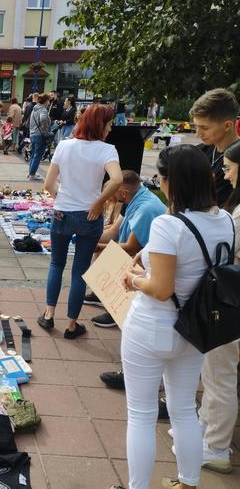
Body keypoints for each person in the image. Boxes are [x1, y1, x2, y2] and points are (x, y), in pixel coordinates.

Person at [118, 145, 234, 489]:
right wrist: (147, 254)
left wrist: (133, 279)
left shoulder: (169, 224)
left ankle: (139, 486)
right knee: (184, 409)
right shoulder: (226, 219)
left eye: (161, 177)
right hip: (196, 327)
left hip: (152, 327)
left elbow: (161, 287)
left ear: (172, 181)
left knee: (140, 414)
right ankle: (188, 482)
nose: (159, 183)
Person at [39, 104, 123, 338]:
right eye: (109, 123)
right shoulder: (107, 150)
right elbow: (117, 179)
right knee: (79, 271)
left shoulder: (64, 145)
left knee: (56, 264)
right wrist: (98, 203)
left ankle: (48, 315)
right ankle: (71, 325)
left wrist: (61, 198)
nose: (110, 128)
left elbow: (47, 184)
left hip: (62, 213)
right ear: (101, 124)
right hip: (89, 216)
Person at [193, 139, 240, 474]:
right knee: (214, 371)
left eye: (228, 166)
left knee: (220, 374)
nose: (224, 172)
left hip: (232, 300)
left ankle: (217, 447)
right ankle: (205, 431)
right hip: (229, 298)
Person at [91, 171, 166, 328]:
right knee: (101, 248)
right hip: (145, 254)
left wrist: (97, 246)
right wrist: (89, 238)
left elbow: (131, 247)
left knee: (108, 252)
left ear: (123, 193)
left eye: (112, 189)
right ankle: (102, 292)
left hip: (152, 261)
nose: (109, 194)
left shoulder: (145, 209)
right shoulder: (133, 198)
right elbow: (113, 232)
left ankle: (116, 308)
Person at [28, 93, 51, 180]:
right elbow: (43, 119)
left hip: (33, 134)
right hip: (40, 135)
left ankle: (30, 172)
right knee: (37, 155)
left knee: (33, 154)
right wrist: (44, 128)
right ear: (45, 101)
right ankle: (32, 174)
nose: (49, 102)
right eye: (48, 100)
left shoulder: (34, 109)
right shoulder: (43, 110)